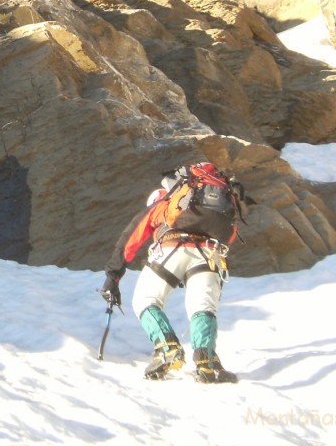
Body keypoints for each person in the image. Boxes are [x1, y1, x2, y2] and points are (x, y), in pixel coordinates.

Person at [100, 162, 240, 383]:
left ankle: (167, 349)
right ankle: (207, 362)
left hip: (171, 250)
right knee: (202, 307)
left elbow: (131, 239)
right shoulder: (215, 201)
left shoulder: (163, 204)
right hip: (210, 253)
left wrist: (113, 276)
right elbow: (229, 236)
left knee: (146, 301)